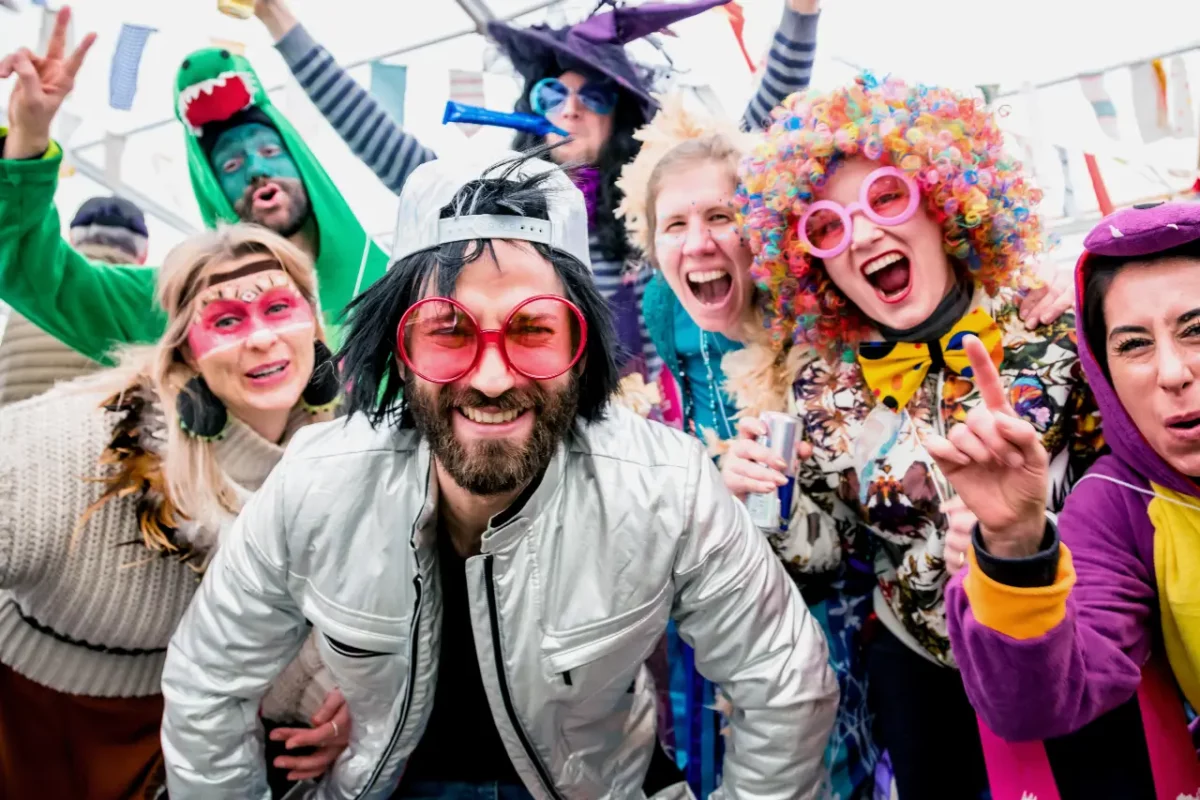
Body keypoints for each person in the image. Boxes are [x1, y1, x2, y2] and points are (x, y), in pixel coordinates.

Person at [159, 149, 838, 799]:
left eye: (534, 330)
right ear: (399, 352)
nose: (490, 377)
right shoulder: (318, 481)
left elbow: (784, 684)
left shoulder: (666, 484)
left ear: (583, 353)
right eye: (447, 329)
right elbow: (207, 681)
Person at [717, 73, 1103, 798]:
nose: (861, 232)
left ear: (943, 201)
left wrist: (1029, 538)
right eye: (827, 226)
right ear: (814, 263)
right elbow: (824, 562)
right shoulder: (821, 393)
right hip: (923, 677)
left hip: (1065, 646)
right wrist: (763, 501)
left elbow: (1128, 493)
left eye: (885, 195)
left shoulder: (1053, 334)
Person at [252, 0, 822, 377]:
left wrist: (801, 12)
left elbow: (760, 134)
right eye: (551, 94)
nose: (569, 108)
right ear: (531, 109)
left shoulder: (663, 207)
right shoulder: (493, 204)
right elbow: (376, 138)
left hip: (674, 445)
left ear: (617, 114)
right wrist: (279, 22)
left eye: (593, 95)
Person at [0, 222, 349, 798]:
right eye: (227, 322)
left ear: (313, 324)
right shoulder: (93, 438)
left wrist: (334, 707)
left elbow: (274, 636)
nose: (260, 339)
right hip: (26, 714)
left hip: (168, 734)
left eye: (279, 307)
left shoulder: (331, 462)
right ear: (188, 345)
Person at [935, 201, 1200, 799]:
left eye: (1197, 329)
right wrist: (1011, 547)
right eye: (1133, 344)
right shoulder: (1116, 506)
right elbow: (1042, 703)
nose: (1173, 371)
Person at [0, 6, 387, 367]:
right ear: (210, 186)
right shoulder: (185, 302)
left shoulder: (392, 273)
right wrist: (28, 141)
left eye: (269, 148)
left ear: (302, 158)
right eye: (231, 163)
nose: (256, 170)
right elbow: (29, 268)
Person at [0, 195, 148, 405]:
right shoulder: (141, 302)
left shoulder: (30, 290)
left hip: (9, 430)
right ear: (144, 254)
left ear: (71, 239)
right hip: (92, 433)